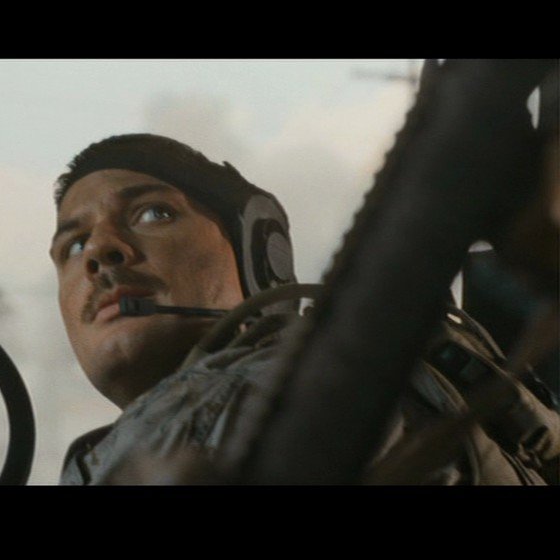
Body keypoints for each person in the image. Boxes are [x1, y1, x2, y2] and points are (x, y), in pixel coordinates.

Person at [50, 133, 557, 485]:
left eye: (153, 213)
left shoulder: (263, 395)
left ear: (261, 253)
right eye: (73, 245)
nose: (99, 252)